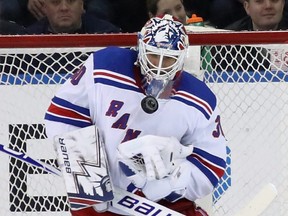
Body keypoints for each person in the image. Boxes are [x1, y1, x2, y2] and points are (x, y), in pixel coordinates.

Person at [44, 14, 227, 216]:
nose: (159, 65)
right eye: (154, 55)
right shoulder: (105, 66)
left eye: (168, 59)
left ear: (181, 57)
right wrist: (88, 178)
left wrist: (173, 184)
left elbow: (211, 165)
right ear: (140, 47)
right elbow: (64, 113)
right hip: (103, 200)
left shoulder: (199, 99)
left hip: (163, 207)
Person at [21, 0, 121, 34]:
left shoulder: (108, 34)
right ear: (45, 8)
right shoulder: (26, 40)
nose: (64, 8)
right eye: (55, 2)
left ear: (82, 5)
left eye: (71, 1)